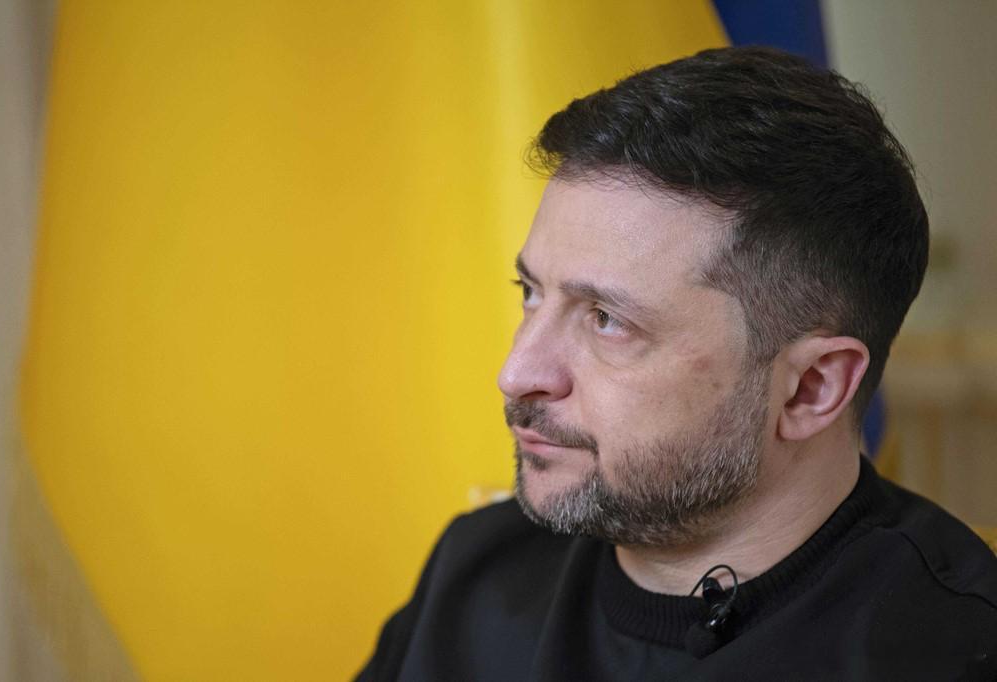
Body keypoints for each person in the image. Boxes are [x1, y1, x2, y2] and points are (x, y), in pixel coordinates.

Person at [356, 47, 997, 681]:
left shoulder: (953, 652)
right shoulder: (476, 572)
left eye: (607, 319)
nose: (517, 374)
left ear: (809, 388)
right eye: (530, 292)